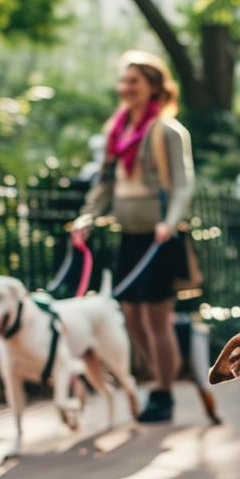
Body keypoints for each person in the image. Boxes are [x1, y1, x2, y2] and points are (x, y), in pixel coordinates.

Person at [78, 50, 198, 423]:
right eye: (124, 80)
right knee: (130, 317)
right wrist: (87, 215)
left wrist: (170, 222)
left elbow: (183, 185)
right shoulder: (116, 130)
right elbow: (105, 182)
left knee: (157, 319)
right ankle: (160, 375)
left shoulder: (167, 131)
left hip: (159, 239)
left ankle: (163, 392)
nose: (126, 87)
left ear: (153, 87)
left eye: (135, 81)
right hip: (129, 236)